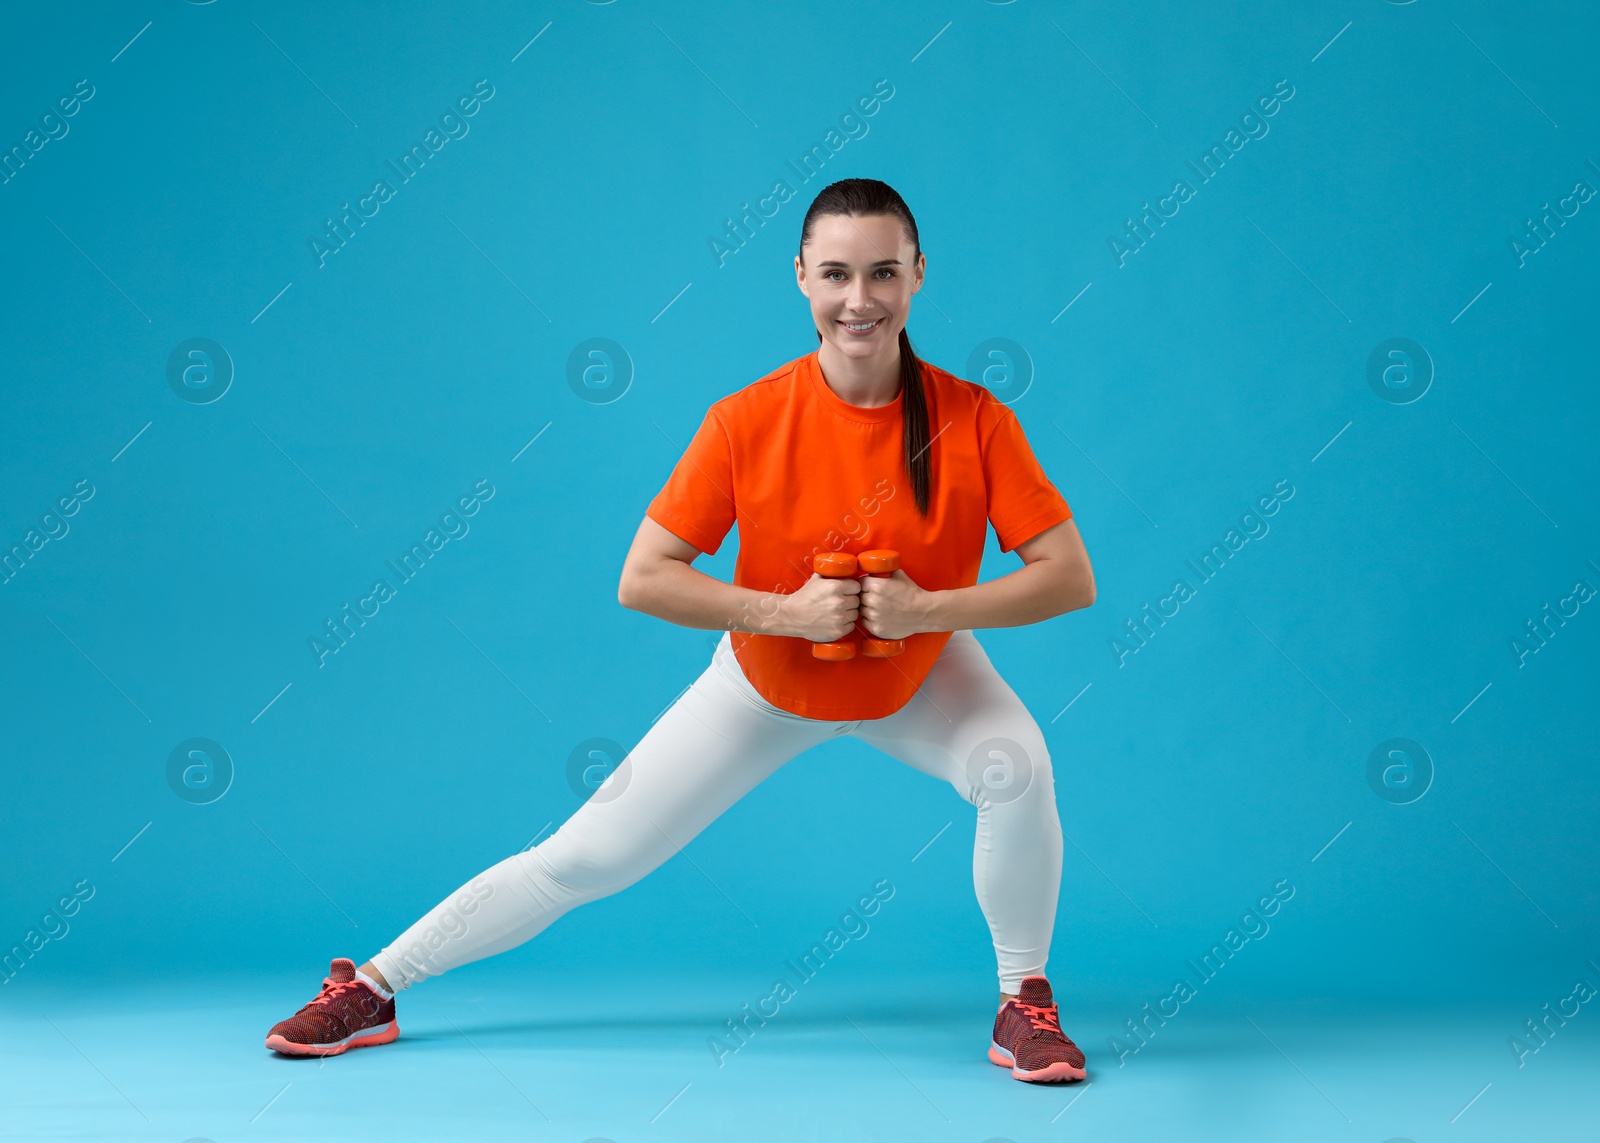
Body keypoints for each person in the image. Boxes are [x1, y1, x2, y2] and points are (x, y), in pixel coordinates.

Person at [264, 177, 1097, 1083]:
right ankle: (373, 985)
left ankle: (1025, 1002)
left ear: (919, 276)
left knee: (1018, 764)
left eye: (884, 273)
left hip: (921, 672)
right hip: (766, 682)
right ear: (801, 279)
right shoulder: (744, 421)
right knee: (584, 857)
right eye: (837, 274)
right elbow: (643, 577)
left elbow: (1069, 577)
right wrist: (783, 614)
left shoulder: (974, 419)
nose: (860, 299)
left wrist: (928, 611)